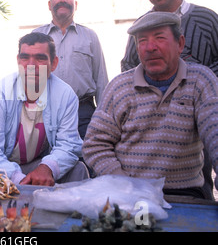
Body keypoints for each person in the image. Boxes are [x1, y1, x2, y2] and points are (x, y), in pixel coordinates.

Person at [83, 12, 218, 200]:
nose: (150, 48)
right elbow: (94, 144)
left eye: (160, 38)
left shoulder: (200, 81)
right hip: (127, 191)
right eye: (142, 41)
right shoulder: (119, 87)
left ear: (180, 43)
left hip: (184, 193)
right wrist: (124, 184)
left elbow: (215, 131)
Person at [120, 0, 218, 199]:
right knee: (149, 196)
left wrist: (200, 95)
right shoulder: (141, 26)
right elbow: (128, 68)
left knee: (197, 188)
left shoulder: (206, 20)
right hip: (152, 125)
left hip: (199, 123)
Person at [0, 32, 88, 186]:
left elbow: (69, 145)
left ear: (54, 63)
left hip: (37, 167)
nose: (31, 65)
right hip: (2, 168)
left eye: (40, 58)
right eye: (25, 57)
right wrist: (18, 178)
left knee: (79, 170)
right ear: (18, 61)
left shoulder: (65, 95)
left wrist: (47, 167)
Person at [33, 0, 109, 139]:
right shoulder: (36, 36)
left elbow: (101, 80)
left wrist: (105, 119)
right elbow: (27, 78)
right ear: (49, 5)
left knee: (86, 158)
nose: (63, 0)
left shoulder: (90, 37)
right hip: (44, 112)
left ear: (76, 5)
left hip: (82, 113)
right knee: (44, 160)